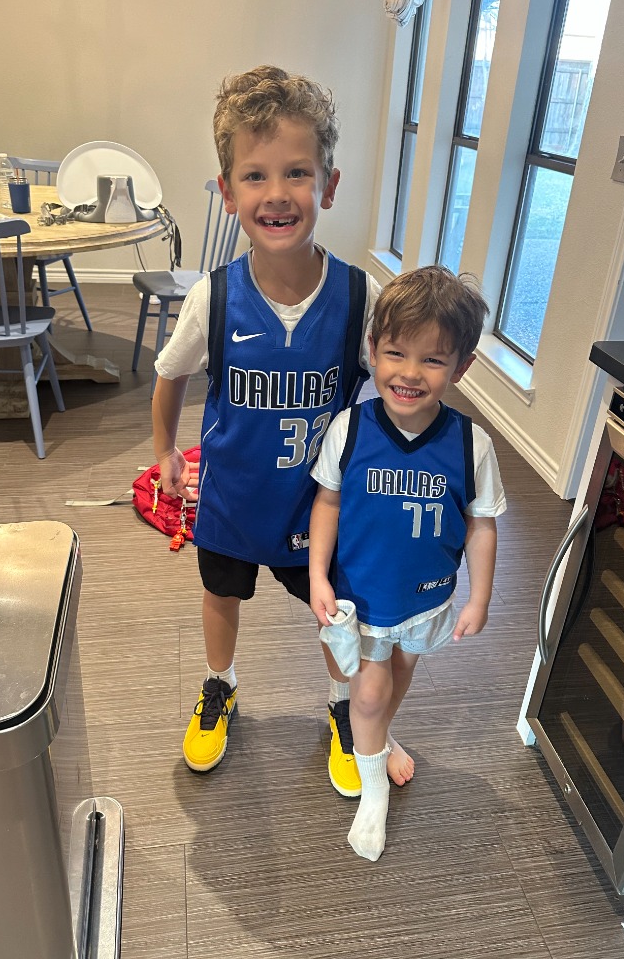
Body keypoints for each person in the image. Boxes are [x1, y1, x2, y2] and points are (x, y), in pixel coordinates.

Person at [151, 64, 382, 790]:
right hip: (231, 498)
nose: (277, 194)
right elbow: (170, 374)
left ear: (329, 186)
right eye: (254, 176)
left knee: (333, 609)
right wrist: (164, 450)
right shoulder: (214, 299)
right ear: (228, 192)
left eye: (297, 173)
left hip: (316, 505)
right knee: (221, 595)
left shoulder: (358, 295)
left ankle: (344, 706)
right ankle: (220, 684)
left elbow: (394, 380)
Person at [309, 265, 507, 861]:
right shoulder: (351, 429)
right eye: (396, 353)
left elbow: (482, 524)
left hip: (426, 596)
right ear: (374, 352)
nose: (410, 373)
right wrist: (317, 574)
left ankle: (380, 737)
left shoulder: (472, 445)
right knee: (367, 693)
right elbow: (327, 501)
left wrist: (479, 597)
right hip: (364, 597)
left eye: (433, 360)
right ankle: (373, 791)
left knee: (401, 673)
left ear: (462, 367)